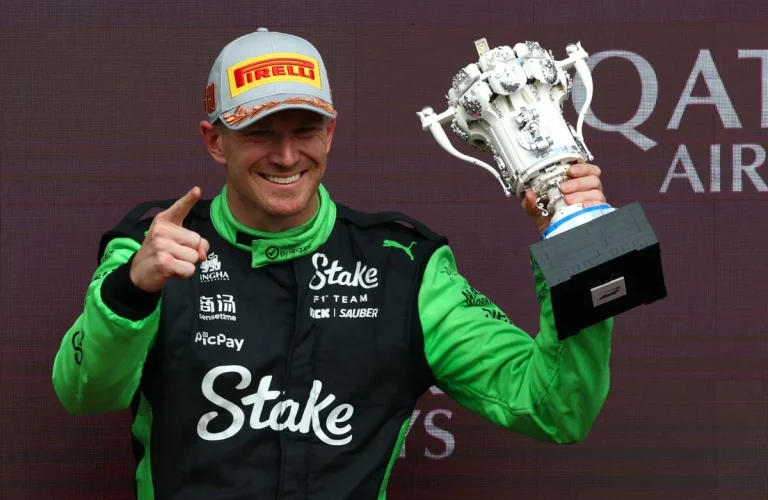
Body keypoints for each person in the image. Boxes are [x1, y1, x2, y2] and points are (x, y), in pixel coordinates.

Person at [52, 28, 613, 500]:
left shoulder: (405, 265)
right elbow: (83, 393)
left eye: (305, 130)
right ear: (215, 140)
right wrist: (131, 291)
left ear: (331, 131)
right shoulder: (154, 244)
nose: (287, 155)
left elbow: (556, 407)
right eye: (260, 133)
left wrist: (580, 245)